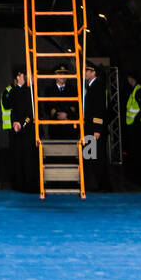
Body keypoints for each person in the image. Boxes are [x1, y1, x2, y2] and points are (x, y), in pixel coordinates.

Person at [81, 60, 111, 191]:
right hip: (90, 128)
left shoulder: (97, 86)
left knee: (96, 157)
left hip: (94, 130)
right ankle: (97, 184)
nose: (85, 73)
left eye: (87, 71)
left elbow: (99, 109)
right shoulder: (91, 86)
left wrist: (97, 129)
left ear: (93, 73)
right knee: (91, 156)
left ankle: (100, 185)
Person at [9, 66, 36, 192]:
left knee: (29, 159)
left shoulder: (30, 90)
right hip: (16, 131)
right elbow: (11, 108)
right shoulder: (13, 91)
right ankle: (18, 184)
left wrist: (22, 124)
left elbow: (30, 114)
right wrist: (14, 122)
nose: (22, 77)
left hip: (28, 130)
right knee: (17, 158)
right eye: (19, 75)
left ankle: (29, 185)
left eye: (23, 75)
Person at [124, 73, 141, 186]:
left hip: (137, 126)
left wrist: (136, 120)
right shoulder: (135, 89)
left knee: (137, 150)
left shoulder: (138, 90)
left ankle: (138, 174)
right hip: (134, 125)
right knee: (135, 150)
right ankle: (136, 173)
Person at [43, 63, 79, 141]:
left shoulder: (73, 90)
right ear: (55, 76)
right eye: (60, 74)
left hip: (69, 128)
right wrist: (57, 115)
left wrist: (67, 115)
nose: (63, 76)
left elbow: (76, 106)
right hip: (55, 128)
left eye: (65, 74)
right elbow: (46, 107)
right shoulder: (49, 91)